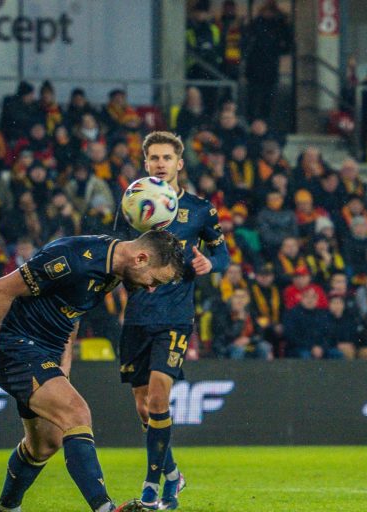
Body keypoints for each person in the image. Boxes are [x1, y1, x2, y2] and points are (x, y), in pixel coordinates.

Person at [0, 229, 186, 512]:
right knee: (76, 414)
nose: (151, 288)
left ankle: (5, 508)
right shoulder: (72, 257)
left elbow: (73, 313)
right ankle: (104, 508)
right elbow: (2, 288)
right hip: (14, 345)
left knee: (44, 444)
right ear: (141, 258)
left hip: (45, 351)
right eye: (154, 280)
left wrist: (64, 363)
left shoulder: (114, 271)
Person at [118, 131, 229, 511]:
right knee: (143, 407)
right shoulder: (132, 206)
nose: (160, 164)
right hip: (136, 318)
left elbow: (223, 255)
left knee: (157, 397)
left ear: (179, 163)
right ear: (145, 163)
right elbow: (115, 255)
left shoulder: (199, 210)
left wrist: (210, 263)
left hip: (175, 318)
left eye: (167, 157)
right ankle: (172, 473)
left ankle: (152, 486)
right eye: (154, 158)